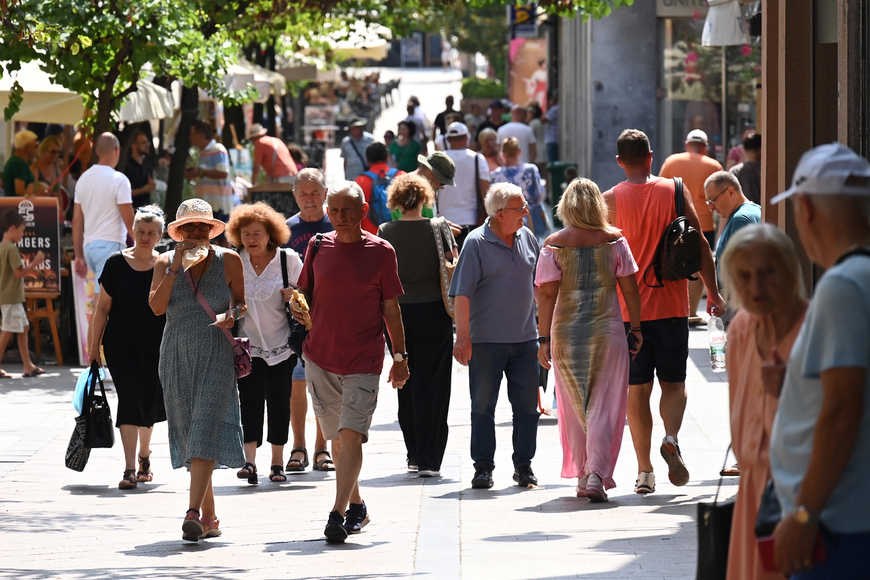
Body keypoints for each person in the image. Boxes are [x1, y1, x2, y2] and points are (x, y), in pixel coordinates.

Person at [767, 143, 870, 578]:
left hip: (837, 525)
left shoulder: (843, 284)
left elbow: (843, 410)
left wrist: (805, 515)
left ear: (805, 208)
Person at [603, 129, 725, 495]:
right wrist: (713, 293)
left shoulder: (609, 199)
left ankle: (644, 472)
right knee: (674, 383)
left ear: (620, 161)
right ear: (651, 156)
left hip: (629, 313)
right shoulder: (674, 190)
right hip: (672, 305)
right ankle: (671, 437)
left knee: (636, 390)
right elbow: (699, 241)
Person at [292, 181, 408, 543]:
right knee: (338, 442)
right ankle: (357, 505)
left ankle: (338, 513)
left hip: (364, 358)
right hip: (320, 357)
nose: (340, 217)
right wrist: (296, 306)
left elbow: (391, 308)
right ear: (328, 212)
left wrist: (400, 356)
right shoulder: (317, 247)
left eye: (347, 210)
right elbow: (303, 293)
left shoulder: (381, 251)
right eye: (334, 210)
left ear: (363, 212)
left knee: (350, 436)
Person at [536, 178, 642, 502]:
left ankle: (584, 474)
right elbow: (630, 289)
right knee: (603, 404)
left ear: (566, 206)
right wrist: (635, 328)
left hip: (566, 333)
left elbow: (546, 295)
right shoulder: (615, 241)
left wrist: (542, 338)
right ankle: (595, 472)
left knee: (574, 403)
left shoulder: (554, 244)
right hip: (607, 330)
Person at [149, 198, 247, 542]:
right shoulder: (164, 261)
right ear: (177, 232)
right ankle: (210, 516)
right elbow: (158, 308)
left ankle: (192, 513)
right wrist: (176, 263)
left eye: (202, 226)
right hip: (175, 354)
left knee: (205, 425)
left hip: (216, 352)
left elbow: (240, 301)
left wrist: (235, 312)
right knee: (193, 432)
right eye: (189, 226)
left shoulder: (229, 260)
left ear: (211, 229)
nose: (196, 232)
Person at [717, 224, 807, 580]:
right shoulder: (740, 328)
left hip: (803, 496)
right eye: (744, 275)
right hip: (752, 492)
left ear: (789, 270)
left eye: (768, 273)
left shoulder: (813, 327)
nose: (755, 286)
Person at [450, 183, 540, 490]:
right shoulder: (475, 243)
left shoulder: (527, 237)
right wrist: (463, 339)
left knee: (527, 408)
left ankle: (524, 467)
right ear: (500, 214)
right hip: (486, 342)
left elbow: (539, 282)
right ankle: (483, 468)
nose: (525, 212)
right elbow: (461, 295)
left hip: (526, 339)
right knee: (482, 406)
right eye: (519, 208)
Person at [378, 174, 457, 477]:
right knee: (434, 385)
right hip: (435, 312)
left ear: (396, 201)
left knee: (404, 380)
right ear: (425, 198)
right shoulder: (439, 228)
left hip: (397, 314)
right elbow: (453, 265)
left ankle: (413, 452)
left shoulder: (386, 231)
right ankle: (430, 457)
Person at [88, 206, 167, 489]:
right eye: (140, 232)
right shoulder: (115, 263)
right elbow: (102, 308)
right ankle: (129, 468)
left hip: (157, 345)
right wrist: (93, 346)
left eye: (151, 233)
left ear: (160, 236)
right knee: (129, 399)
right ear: (132, 232)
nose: (145, 237)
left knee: (149, 400)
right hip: (119, 344)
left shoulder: (166, 265)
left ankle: (145, 456)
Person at [226, 202, 302, 484]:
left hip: (283, 345)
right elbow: (228, 298)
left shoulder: (288, 259)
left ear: (271, 234)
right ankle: (249, 461)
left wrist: (293, 295)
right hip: (248, 346)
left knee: (280, 402)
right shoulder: (234, 260)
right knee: (249, 400)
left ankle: (278, 462)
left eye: (257, 233)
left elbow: (308, 294)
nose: (251, 239)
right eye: (246, 234)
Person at [284, 168, 333, 472]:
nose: (310, 198)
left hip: (329, 319)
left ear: (325, 193)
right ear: (295, 195)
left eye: (315, 192)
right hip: (293, 321)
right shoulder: (285, 230)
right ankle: (298, 446)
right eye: (304, 193)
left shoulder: (337, 224)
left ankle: (322, 446)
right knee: (297, 383)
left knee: (325, 385)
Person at [659, 129, 723, 324]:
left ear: (687, 144)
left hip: (674, 225)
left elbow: (660, 189)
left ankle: (676, 309)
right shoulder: (714, 165)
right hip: (703, 225)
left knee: (672, 262)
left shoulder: (672, 161)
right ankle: (692, 312)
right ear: (704, 147)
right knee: (697, 266)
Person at [72, 133, 134, 333]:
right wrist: (144, 248)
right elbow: (130, 221)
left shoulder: (83, 179)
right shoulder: (119, 179)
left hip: (90, 248)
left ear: (97, 151)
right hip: (110, 248)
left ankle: (96, 360)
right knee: (102, 309)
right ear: (117, 151)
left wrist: (78, 255)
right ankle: (93, 362)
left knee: (102, 307)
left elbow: (76, 221)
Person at [0, 210, 45, 378]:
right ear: (13, 229)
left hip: (9, 297)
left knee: (24, 327)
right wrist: (35, 262)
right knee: (7, 331)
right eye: (22, 230)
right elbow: (18, 273)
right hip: (11, 297)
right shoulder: (11, 249)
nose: (22, 234)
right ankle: (27, 365)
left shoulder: (2, 247)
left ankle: (28, 365)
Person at [438, 122, 491, 249]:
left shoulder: (438, 159)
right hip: (472, 221)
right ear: (466, 138)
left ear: (448, 139)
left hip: (443, 221)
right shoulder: (478, 158)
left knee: (447, 266)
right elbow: (486, 194)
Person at [704, 171, 762, 276]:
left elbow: (744, 271)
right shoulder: (753, 210)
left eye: (713, 200)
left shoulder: (740, 219)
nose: (710, 208)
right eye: (708, 202)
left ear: (731, 192)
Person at [490, 137, 549, 240]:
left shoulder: (495, 175)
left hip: (505, 221)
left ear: (503, 153)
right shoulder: (531, 170)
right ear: (519, 152)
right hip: (529, 220)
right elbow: (538, 196)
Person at [185, 121, 234, 224]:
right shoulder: (203, 153)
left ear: (201, 135)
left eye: (192, 134)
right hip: (207, 207)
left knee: (220, 239)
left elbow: (223, 173)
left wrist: (200, 172)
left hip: (219, 207)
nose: (189, 137)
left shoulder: (218, 149)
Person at [354, 142, 403, 235]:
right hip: (398, 236)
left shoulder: (359, 182)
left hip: (371, 238)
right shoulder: (401, 177)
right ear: (386, 158)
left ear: (367, 159)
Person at [29, 135, 68, 218]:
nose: (56, 154)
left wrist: (61, 213)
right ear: (44, 151)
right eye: (53, 152)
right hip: (38, 211)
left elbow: (58, 194)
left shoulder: (55, 169)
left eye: (58, 152)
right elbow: (33, 193)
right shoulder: (35, 169)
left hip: (50, 211)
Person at [124, 132, 156, 210]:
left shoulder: (148, 167)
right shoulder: (127, 167)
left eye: (147, 142)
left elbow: (149, 191)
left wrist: (151, 187)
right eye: (143, 143)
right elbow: (124, 193)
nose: (147, 145)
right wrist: (144, 190)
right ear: (134, 146)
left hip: (146, 210)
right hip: (132, 210)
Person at [339, 117, 375, 182]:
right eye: (353, 128)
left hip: (366, 174)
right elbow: (345, 160)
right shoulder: (345, 142)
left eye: (357, 127)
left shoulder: (370, 140)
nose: (356, 129)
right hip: (351, 176)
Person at [2, 130, 38, 197]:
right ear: (28, 146)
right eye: (35, 145)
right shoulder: (19, 163)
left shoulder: (13, 161)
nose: (37, 149)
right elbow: (19, 190)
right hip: (16, 205)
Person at [730, 133, 762, 205]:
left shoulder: (735, 171)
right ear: (761, 150)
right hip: (764, 213)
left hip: (743, 213)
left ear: (744, 149)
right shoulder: (768, 170)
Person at [542, 90, 560, 163]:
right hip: (555, 139)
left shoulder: (555, 108)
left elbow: (543, 120)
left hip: (552, 139)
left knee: (552, 163)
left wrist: (549, 107)